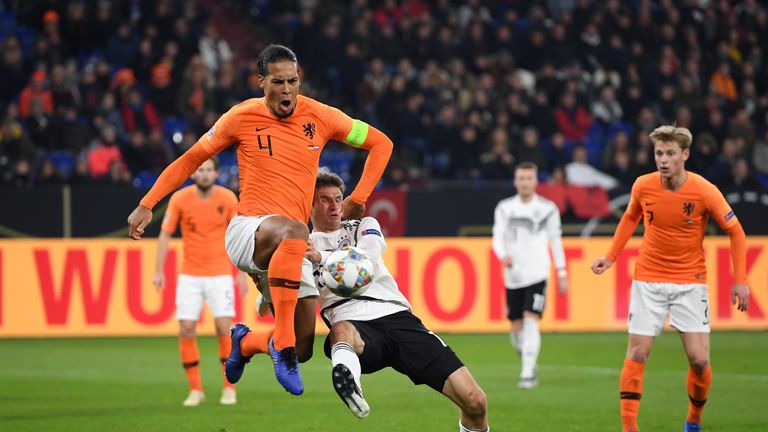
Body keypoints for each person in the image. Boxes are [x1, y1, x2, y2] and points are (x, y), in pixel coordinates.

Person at [127, 44, 392, 396]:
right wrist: (148, 202)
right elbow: (191, 160)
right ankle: (280, 344)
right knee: (295, 232)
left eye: (292, 81)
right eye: (278, 82)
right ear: (261, 82)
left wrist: (358, 198)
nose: (286, 90)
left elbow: (380, 143)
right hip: (249, 230)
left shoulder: (322, 117)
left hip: (292, 245)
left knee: (304, 348)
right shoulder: (240, 117)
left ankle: (247, 342)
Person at [298, 170, 488, 431]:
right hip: (353, 322)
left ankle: (348, 376)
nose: (334, 206)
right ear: (308, 203)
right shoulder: (300, 246)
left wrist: (320, 257)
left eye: (338, 199)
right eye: (324, 200)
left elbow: (365, 263)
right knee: (340, 332)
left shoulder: (365, 225)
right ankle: (350, 385)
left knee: (475, 402)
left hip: (398, 318)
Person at [590, 125, 750, 432]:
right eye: (659, 153)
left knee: (699, 361)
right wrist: (610, 257)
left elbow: (736, 231)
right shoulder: (643, 185)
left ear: (685, 155)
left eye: (670, 154)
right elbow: (630, 217)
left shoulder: (704, 190)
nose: (663, 160)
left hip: (690, 282)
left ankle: (693, 419)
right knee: (637, 352)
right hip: (648, 279)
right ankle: (629, 427)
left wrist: (740, 279)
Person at [153, 158, 248, 406]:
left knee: (223, 327)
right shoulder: (180, 199)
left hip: (220, 274)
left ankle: (229, 388)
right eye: (200, 170)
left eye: (208, 170)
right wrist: (158, 270)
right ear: (193, 174)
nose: (204, 174)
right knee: (185, 328)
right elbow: (165, 234)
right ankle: (196, 390)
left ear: (216, 173)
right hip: (190, 275)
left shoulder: (227, 198)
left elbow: (238, 237)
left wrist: (241, 273)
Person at [491, 161, 568, 389]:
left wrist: (562, 272)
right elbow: (497, 237)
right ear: (516, 181)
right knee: (515, 329)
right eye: (521, 178)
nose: (524, 182)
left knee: (530, 319)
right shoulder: (505, 208)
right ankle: (529, 361)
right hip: (513, 275)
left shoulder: (548, 209)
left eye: (528, 178)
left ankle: (527, 375)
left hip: (537, 272)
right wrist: (503, 255)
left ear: (535, 181)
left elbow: (555, 241)